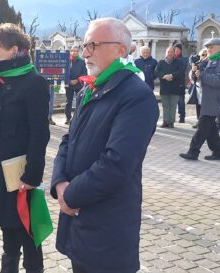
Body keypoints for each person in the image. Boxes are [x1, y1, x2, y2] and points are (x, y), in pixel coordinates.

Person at [50, 18, 158, 273]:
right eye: (85, 44)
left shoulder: (136, 96)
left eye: (93, 45)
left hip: (108, 225)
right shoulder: (91, 90)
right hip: (79, 221)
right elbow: (69, 140)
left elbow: (117, 163)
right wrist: (59, 182)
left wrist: (70, 195)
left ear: (121, 50)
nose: (86, 52)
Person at [0, 23, 50, 273]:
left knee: (30, 238)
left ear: (14, 50)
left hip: (21, 173)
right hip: (0, 170)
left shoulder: (34, 83)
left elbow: (40, 133)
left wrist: (32, 175)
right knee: (9, 237)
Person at [179, 38, 220, 161]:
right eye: (207, 48)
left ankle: (193, 151)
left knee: (203, 126)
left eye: (211, 47)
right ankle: (218, 152)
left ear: (219, 47)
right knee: (210, 127)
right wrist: (194, 71)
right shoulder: (208, 60)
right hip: (206, 99)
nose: (209, 50)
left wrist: (203, 75)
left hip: (216, 99)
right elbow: (196, 76)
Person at [155, 47, 184, 128]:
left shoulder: (179, 62)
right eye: (168, 52)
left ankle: (171, 122)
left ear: (174, 53)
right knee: (165, 105)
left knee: (173, 105)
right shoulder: (161, 62)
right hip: (164, 88)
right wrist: (164, 76)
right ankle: (165, 121)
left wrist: (172, 75)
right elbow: (156, 72)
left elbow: (180, 72)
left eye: (171, 52)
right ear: (166, 53)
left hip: (175, 87)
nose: (169, 53)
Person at [187, 49, 209, 128]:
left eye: (206, 54)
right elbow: (192, 79)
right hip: (199, 89)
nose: (204, 56)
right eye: (202, 55)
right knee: (198, 106)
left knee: (206, 107)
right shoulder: (197, 64)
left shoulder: (211, 64)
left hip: (208, 90)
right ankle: (199, 121)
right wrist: (193, 72)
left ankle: (205, 123)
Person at [65, 45, 86, 124]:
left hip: (78, 84)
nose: (75, 52)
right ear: (70, 51)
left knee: (79, 101)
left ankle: (77, 117)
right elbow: (64, 72)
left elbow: (84, 73)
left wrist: (77, 80)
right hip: (69, 85)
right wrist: (69, 80)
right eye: (73, 51)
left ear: (79, 52)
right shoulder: (67, 61)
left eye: (76, 51)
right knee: (68, 102)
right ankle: (68, 118)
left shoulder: (82, 62)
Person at [174, 43, 189, 123]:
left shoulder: (184, 59)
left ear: (180, 50)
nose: (176, 51)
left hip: (180, 83)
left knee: (181, 101)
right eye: (175, 49)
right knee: (173, 101)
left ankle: (182, 116)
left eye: (177, 50)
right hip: (172, 83)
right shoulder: (171, 58)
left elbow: (183, 69)